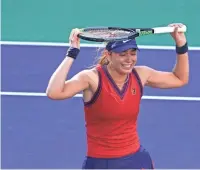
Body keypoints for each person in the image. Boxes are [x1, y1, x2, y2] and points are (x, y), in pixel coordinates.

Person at [46, 23, 189, 169]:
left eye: (133, 53)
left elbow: (179, 79)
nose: (129, 59)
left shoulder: (141, 74)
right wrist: (72, 53)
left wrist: (181, 44)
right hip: (102, 163)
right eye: (122, 54)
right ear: (108, 55)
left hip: (136, 159)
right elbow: (54, 92)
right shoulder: (92, 79)